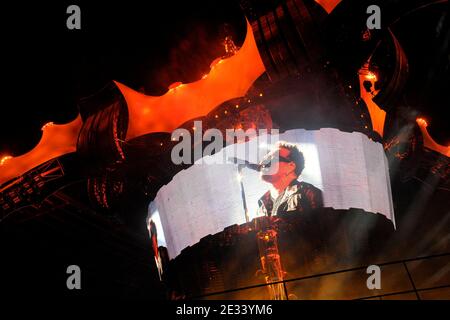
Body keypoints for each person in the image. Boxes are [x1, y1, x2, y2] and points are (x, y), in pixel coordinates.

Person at [257, 141, 323, 217]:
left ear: (291, 166)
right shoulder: (262, 205)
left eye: (273, 158)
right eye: (265, 157)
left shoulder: (308, 194)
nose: (263, 161)